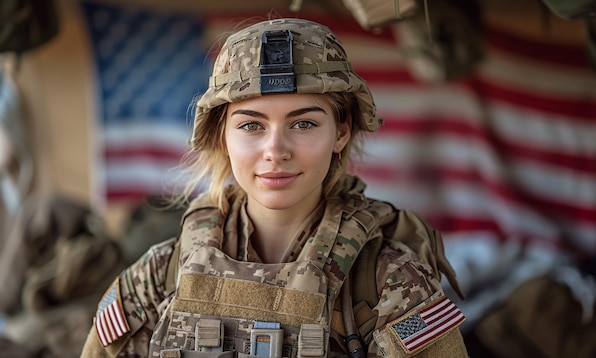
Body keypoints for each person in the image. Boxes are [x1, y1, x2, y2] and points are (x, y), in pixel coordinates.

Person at [80, 18, 469, 357]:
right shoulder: (160, 275)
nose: (275, 151)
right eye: (251, 125)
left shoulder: (391, 282)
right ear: (222, 137)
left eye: (304, 124)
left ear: (341, 131)